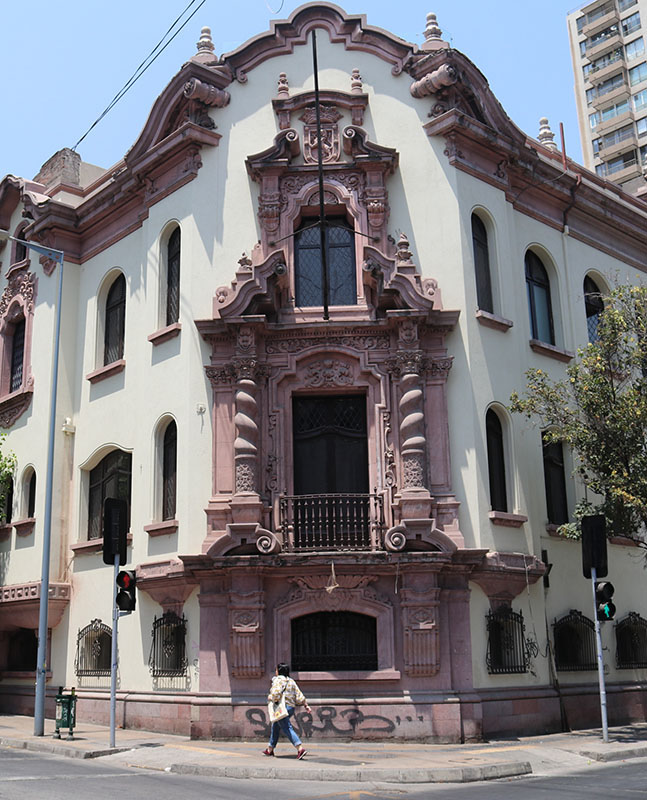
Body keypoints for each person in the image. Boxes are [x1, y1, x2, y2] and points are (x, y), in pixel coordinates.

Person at [264, 662, 311, 759]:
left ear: (279, 671)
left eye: (276, 669)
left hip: (281, 708)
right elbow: (299, 695)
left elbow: (276, 693)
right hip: (290, 708)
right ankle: (270, 749)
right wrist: (306, 705)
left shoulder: (278, 680)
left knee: (287, 727)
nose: (275, 671)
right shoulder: (291, 681)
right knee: (275, 726)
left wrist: (271, 697)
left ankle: (300, 748)